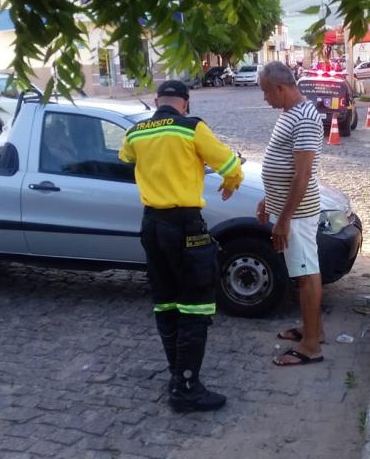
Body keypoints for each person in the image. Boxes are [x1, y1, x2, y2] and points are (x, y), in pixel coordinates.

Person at [119, 80, 243, 412]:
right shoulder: (192, 128)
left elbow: (126, 155)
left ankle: (177, 375)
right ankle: (187, 388)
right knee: (196, 304)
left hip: (151, 225)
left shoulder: (137, 131)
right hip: (185, 225)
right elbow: (230, 164)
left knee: (166, 302)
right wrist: (232, 184)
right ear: (185, 103)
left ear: (157, 100)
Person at [256, 61, 325, 367]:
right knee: (304, 272)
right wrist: (268, 199)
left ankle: (311, 347)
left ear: (280, 88)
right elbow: (281, 165)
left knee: (306, 275)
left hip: (298, 215)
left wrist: (283, 219)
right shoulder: (289, 113)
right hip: (289, 210)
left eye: (266, 92)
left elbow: (302, 175)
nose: (265, 98)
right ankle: (313, 330)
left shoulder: (306, 118)